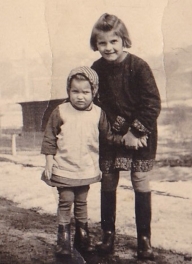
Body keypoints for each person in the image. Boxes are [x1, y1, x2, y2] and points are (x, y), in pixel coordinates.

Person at [90, 13, 161, 260]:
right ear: (95, 44)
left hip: (141, 135)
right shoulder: (96, 69)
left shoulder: (139, 66)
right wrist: (116, 132)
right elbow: (97, 103)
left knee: (140, 180)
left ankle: (144, 240)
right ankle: (107, 235)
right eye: (102, 43)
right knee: (108, 181)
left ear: (123, 40)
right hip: (111, 136)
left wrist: (135, 132)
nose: (108, 48)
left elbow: (152, 103)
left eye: (113, 42)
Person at [41, 66, 123, 256]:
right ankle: (63, 240)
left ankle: (82, 238)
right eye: (75, 91)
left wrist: (125, 140)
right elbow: (49, 137)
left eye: (85, 92)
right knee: (65, 199)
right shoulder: (60, 111)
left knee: (81, 201)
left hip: (86, 167)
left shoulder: (98, 113)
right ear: (68, 90)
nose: (80, 96)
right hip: (64, 166)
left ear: (94, 91)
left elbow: (108, 137)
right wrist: (48, 161)